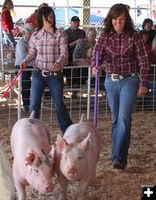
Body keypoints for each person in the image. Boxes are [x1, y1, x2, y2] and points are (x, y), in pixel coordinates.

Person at [91, 3, 149, 170]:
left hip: (130, 80)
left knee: (124, 118)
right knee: (116, 119)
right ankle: (117, 153)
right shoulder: (104, 36)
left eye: (122, 19)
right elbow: (96, 55)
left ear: (126, 20)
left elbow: (144, 60)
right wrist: (95, 66)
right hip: (111, 80)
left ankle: (119, 157)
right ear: (110, 19)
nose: (118, 22)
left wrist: (143, 83)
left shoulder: (134, 36)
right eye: (115, 19)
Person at [20, 6, 73, 134]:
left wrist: (59, 62)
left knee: (59, 105)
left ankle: (69, 132)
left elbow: (65, 53)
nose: (51, 19)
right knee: (34, 105)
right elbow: (32, 53)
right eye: (48, 17)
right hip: (38, 73)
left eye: (52, 16)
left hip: (55, 75)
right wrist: (25, 61)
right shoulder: (35, 36)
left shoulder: (60, 34)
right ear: (41, 18)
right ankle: (33, 134)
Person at [15, 23, 34, 112]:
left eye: (31, 33)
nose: (30, 34)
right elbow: (23, 55)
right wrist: (32, 55)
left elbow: (31, 54)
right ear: (25, 33)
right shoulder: (21, 42)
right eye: (29, 32)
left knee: (31, 84)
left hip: (29, 65)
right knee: (25, 85)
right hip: (21, 66)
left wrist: (31, 55)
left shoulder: (30, 42)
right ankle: (26, 105)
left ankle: (30, 104)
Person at [63, 16, 86, 90]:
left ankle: (76, 89)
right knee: (69, 73)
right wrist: (76, 42)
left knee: (79, 74)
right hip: (69, 55)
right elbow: (65, 46)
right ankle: (70, 88)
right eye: (75, 22)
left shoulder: (82, 32)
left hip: (79, 56)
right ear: (71, 23)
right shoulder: (66, 32)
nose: (77, 24)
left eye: (78, 22)